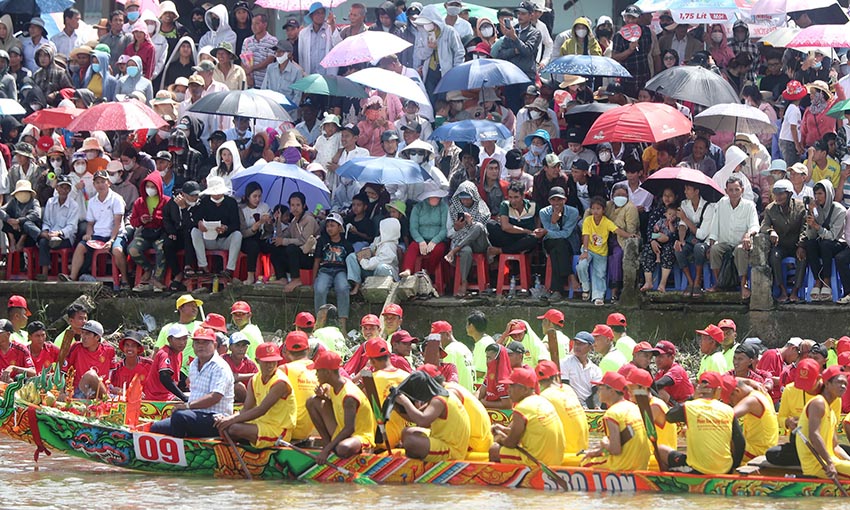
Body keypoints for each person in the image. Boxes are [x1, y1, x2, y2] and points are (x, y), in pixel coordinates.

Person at [150, 327, 234, 438]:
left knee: (180, 416)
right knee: (156, 428)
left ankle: (182, 448)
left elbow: (215, 396)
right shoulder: (194, 363)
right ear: (193, 345)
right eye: (197, 342)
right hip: (195, 414)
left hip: (216, 419)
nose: (200, 346)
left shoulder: (220, 367)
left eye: (205, 343)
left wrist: (188, 405)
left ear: (214, 345)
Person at [660, 371, 745, 474]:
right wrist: (734, 467)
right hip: (725, 470)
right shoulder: (728, 410)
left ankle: (668, 482)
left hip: (697, 470)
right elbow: (740, 443)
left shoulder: (689, 407)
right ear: (718, 390)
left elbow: (669, 416)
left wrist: (692, 397)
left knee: (661, 450)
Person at [214, 342, 297, 446]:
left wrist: (230, 419)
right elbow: (246, 409)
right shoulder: (254, 380)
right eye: (266, 362)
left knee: (233, 428)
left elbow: (261, 410)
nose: (270, 365)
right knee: (227, 427)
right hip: (261, 424)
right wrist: (227, 419)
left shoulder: (280, 383)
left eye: (274, 361)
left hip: (279, 430)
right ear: (257, 361)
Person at [306, 350, 375, 463]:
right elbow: (334, 407)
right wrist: (323, 398)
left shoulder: (349, 396)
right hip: (342, 431)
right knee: (312, 402)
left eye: (318, 371)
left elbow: (349, 428)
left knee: (343, 449)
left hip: (360, 437)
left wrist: (327, 451)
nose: (316, 374)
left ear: (328, 373)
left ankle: (329, 448)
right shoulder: (334, 386)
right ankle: (328, 444)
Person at [489, 367, 565, 466]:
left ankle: (499, 480)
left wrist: (499, 438)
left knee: (494, 449)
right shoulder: (542, 400)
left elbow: (511, 443)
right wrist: (504, 430)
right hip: (557, 458)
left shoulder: (522, 408)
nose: (508, 390)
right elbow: (528, 433)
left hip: (537, 460)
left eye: (512, 386)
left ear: (524, 389)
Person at [61, 170, 125, 282]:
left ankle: (125, 279)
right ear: (94, 184)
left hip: (116, 234)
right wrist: (88, 234)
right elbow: (90, 223)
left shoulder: (117, 199)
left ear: (108, 183)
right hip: (98, 235)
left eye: (102, 182)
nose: (100, 185)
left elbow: (117, 223)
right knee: (81, 247)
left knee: (117, 250)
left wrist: (111, 240)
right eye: (97, 182)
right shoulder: (92, 202)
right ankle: (72, 277)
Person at [581, 371, 649, 470]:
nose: (598, 392)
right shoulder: (633, 407)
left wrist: (604, 442)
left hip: (623, 466)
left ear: (611, 391)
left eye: (601, 388)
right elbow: (624, 439)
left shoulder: (612, 413)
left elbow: (615, 450)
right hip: (641, 464)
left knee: (584, 463)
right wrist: (598, 450)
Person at [578, 196, 639, 305]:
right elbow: (586, 236)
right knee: (581, 265)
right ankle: (585, 287)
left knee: (600, 273)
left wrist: (629, 235)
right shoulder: (587, 220)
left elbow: (618, 231)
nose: (595, 211)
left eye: (598, 209)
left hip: (601, 253)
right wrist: (585, 251)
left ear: (603, 210)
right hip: (588, 249)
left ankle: (598, 296)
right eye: (593, 209)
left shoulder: (606, 222)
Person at [707, 175, 759, 299]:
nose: (734, 193)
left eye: (737, 189)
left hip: (741, 243)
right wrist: (711, 243)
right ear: (726, 191)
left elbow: (755, 226)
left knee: (740, 250)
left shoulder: (749, 205)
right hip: (725, 242)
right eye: (731, 190)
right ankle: (720, 284)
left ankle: (743, 284)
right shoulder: (722, 203)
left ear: (742, 190)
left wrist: (748, 235)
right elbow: (715, 226)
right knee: (714, 250)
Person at [796, 365, 850, 478]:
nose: (843, 386)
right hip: (818, 466)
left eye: (845, 383)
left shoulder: (831, 412)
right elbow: (814, 435)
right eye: (839, 382)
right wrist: (830, 463)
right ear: (827, 384)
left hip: (831, 461)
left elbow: (835, 446)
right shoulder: (818, 403)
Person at [189, 176, 243, 279]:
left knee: (238, 235)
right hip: (209, 239)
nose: (217, 195)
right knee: (194, 232)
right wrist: (199, 223)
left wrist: (226, 228)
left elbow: (236, 225)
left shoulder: (231, 203)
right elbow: (195, 219)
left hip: (225, 240)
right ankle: (203, 266)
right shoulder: (204, 202)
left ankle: (229, 269)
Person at [801, 179, 847, 301]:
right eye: (815, 194)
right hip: (821, 242)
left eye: (820, 194)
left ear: (828, 193)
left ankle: (827, 281)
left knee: (826, 244)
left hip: (837, 243)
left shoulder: (839, 210)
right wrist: (811, 215)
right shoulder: (817, 209)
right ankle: (817, 280)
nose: (817, 197)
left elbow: (833, 236)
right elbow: (811, 236)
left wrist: (817, 226)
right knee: (810, 244)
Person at [445, 182, 491, 297]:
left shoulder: (482, 207)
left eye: (468, 199)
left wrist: (471, 224)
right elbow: (449, 233)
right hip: (462, 242)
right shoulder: (453, 209)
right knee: (466, 251)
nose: (465, 202)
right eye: (462, 199)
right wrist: (456, 228)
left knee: (478, 226)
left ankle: (455, 250)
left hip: (480, 243)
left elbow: (484, 229)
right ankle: (464, 281)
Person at [536, 360, 588, 454]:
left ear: (538, 381)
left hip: (566, 453)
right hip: (583, 448)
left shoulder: (544, 398)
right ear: (557, 376)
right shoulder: (568, 389)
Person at [412, 5, 464, 95]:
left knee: (444, 101)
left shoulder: (449, 31)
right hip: (430, 72)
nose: (425, 26)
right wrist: (429, 48)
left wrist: (456, 72)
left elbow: (459, 52)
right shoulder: (422, 34)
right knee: (431, 100)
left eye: (428, 23)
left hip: (446, 73)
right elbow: (419, 54)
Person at [279, 331, 320, 440]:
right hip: (316, 432)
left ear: (286, 351)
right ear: (308, 350)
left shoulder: (284, 370)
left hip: (292, 432)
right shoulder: (321, 370)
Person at [729, 378, 779, 461]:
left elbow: (727, 416)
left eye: (730, 401)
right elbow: (732, 379)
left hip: (758, 452)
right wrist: (749, 381)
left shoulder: (752, 400)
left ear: (737, 391)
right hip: (763, 446)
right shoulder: (759, 392)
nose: (731, 403)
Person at [61, 320, 114, 398]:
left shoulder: (109, 350)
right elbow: (63, 371)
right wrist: (61, 392)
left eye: (88, 334)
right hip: (80, 394)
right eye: (82, 332)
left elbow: (113, 373)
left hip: (99, 394)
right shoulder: (76, 348)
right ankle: (107, 401)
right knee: (91, 375)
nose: (83, 336)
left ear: (97, 337)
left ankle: (107, 400)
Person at [144, 323, 188, 402]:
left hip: (168, 395)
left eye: (185, 339)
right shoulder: (165, 354)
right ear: (169, 340)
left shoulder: (179, 353)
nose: (182, 342)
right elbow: (164, 377)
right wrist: (183, 397)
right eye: (178, 339)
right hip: (156, 397)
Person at [431, 321, 474, 391]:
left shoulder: (449, 350)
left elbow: (448, 380)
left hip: (458, 395)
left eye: (437, 336)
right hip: (468, 393)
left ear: (447, 334)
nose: (434, 340)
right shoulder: (464, 347)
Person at [652, 340, 694, 404]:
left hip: (686, 408)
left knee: (660, 392)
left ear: (672, 357)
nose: (657, 359)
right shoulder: (660, 373)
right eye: (656, 356)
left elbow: (658, 384)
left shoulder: (677, 370)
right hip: (676, 406)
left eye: (661, 356)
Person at [778, 81, 807, 166]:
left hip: (789, 141)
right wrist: (797, 145)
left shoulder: (792, 108)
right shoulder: (794, 109)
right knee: (791, 165)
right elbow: (793, 128)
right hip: (789, 141)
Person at [466, 311, 494, 385]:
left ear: (471, 326)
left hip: (481, 387)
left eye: (467, 325)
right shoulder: (485, 340)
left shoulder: (483, 344)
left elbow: (480, 372)